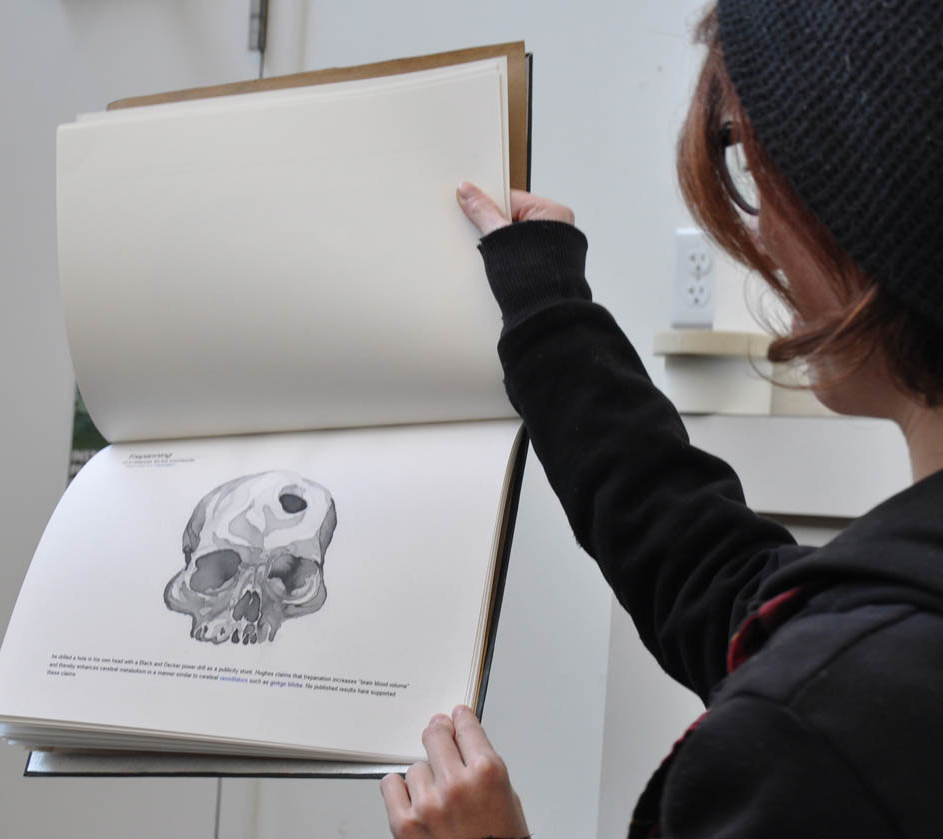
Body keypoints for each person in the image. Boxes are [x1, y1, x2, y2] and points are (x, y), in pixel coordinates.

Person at [380, 0, 943, 836]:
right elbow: (725, 586)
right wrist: (549, 309)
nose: (761, 236)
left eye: (760, 169)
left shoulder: (810, 737)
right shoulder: (876, 633)